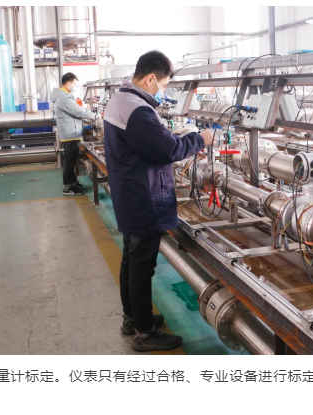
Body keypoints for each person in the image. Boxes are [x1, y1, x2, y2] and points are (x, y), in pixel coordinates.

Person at [103, 50, 214, 351]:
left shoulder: (121, 99)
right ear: (151, 79)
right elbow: (168, 150)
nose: (163, 91)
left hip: (131, 193)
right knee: (141, 266)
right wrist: (200, 140)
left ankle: (133, 318)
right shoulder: (137, 110)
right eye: (163, 85)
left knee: (131, 261)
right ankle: (144, 332)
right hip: (144, 197)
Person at [50, 72, 96, 195]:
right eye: (75, 84)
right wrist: (95, 116)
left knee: (71, 161)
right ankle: (67, 187)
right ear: (68, 83)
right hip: (70, 134)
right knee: (69, 162)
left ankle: (73, 183)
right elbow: (77, 111)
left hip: (70, 132)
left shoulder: (62, 96)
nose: (75, 86)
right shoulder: (64, 98)